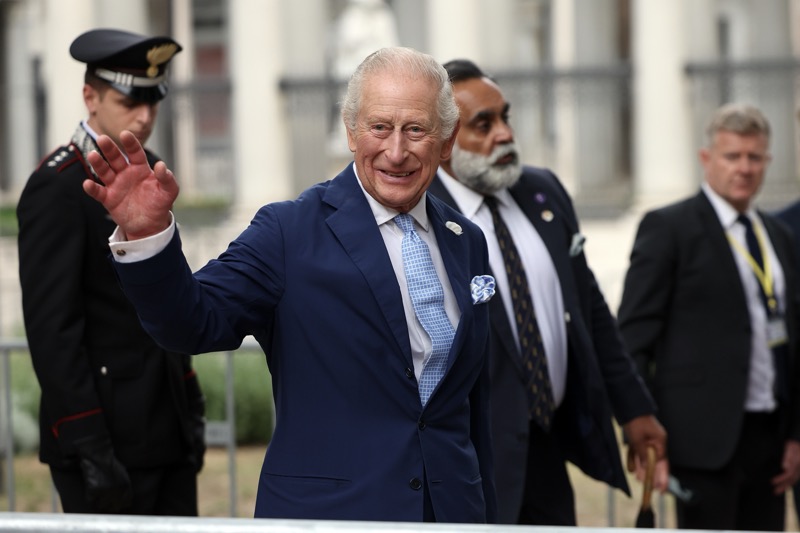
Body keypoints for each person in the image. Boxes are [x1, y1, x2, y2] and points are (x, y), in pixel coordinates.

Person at [81, 47, 497, 523]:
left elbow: (471, 408)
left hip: (453, 516)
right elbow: (191, 322)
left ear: (447, 141)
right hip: (329, 519)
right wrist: (148, 237)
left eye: (416, 130)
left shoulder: (465, 240)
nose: (396, 151)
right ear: (351, 131)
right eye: (380, 127)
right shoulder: (289, 231)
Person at [427, 58, 667, 525]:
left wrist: (634, 408)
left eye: (505, 117)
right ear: (444, 142)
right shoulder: (425, 217)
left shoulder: (542, 192)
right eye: (484, 125)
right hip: (469, 463)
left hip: (549, 445)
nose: (504, 134)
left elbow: (589, 307)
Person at [17, 28, 206, 515]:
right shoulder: (59, 186)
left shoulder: (152, 170)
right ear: (91, 97)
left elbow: (167, 297)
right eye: (129, 101)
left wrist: (190, 402)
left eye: (153, 101)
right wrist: (88, 445)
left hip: (166, 431)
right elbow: (53, 332)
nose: (145, 116)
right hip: (104, 441)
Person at [617, 102, 800, 531]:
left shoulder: (779, 235)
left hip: (770, 439)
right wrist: (640, 430)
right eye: (732, 156)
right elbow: (633, 339)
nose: (744, 168)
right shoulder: (669, 227)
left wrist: (795, 434)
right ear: (707, 158)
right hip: (699, 442)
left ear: (768, 161)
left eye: (754, 157)